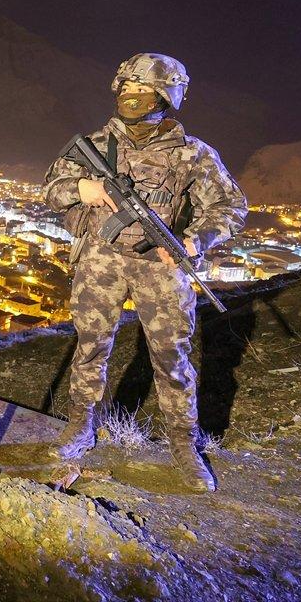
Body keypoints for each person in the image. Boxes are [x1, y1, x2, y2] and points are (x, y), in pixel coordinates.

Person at [42, 53, 247, 492]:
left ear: (166, 96)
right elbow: (52, 188)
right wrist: (85, 188)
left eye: (143, 90)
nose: (132, 97)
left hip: (161, 266)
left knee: (173, 358)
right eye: (127, 89)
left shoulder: (193, 154)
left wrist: (193, 241)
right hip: (101, 260)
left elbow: (231, 207)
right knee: (91, 345)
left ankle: (184, 444)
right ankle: (81, 424)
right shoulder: (96, 146)